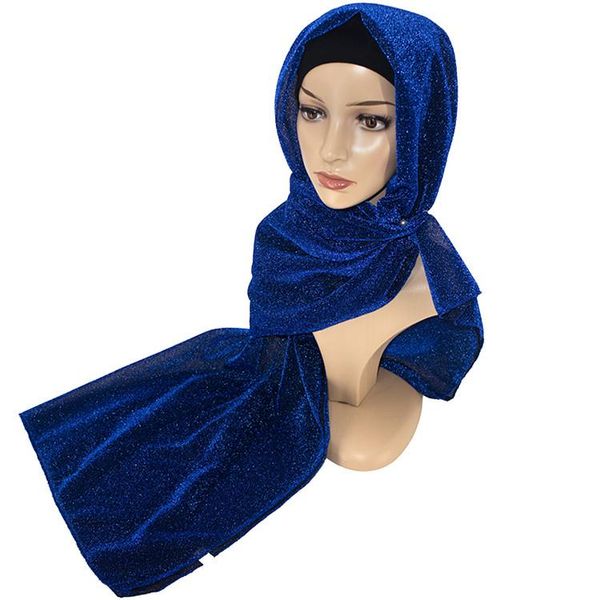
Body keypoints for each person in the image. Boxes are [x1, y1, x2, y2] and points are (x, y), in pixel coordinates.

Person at [18, 4, 484, 596]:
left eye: (370, 121)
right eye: (313, 112)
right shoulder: (284, 236)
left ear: (422, 128)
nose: (330, 150)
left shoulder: (419, 281)